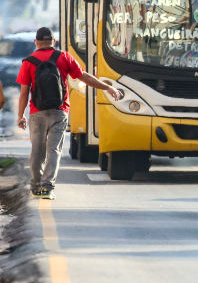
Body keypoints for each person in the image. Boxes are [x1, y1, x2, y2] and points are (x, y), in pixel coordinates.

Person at [16, 27, 120, 199]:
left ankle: (35, 186)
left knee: (37, 151)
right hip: (60, 111)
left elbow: (23, 93)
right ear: (53, 42)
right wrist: (107, 87)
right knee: (54, 150)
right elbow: (84, 77)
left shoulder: (28, 61)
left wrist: (21, 115)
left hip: (37, 113)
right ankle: (47, 188)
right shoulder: (64, 57)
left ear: (36, 42)